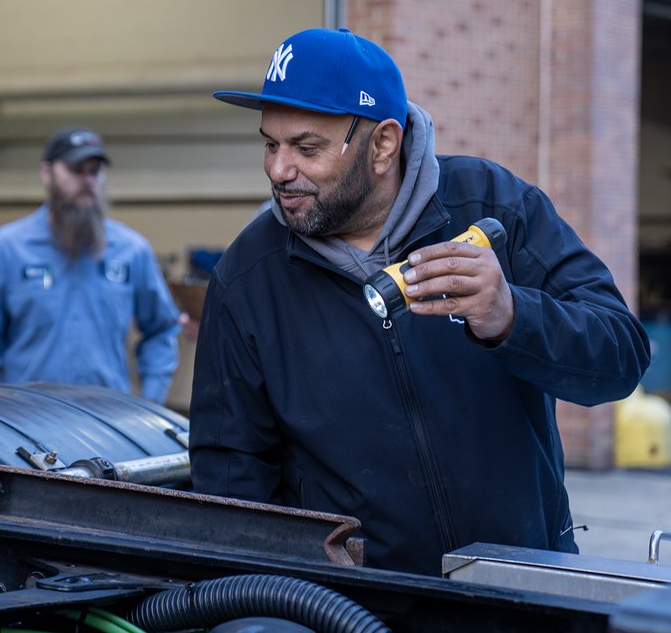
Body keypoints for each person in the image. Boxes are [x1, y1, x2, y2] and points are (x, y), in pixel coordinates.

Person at [189, 28, 650, 575]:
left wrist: (510, 316)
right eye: (270, 144)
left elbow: (620, 359)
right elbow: (230, 478)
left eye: (306, 148)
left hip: (523, 582)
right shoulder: (247, 278)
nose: (278, 170)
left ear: (383, 144)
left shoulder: (497, 207)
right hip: (356, 608)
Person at [0, 127, 183, 404]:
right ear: (47, 173)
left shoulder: (131, 251)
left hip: (108, 418)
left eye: (94, 171)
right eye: (76, 170)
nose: (87, 180)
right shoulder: (5, 250)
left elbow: (162, 329)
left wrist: (149, 402)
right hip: (27, 420)